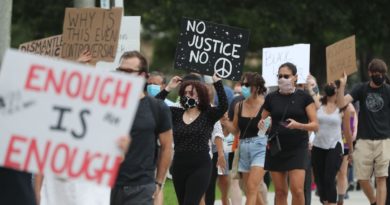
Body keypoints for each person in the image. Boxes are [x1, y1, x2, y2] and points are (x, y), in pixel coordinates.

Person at [110, 51, 173, 205]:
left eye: (128, 72)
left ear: (142, 75)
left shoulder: (157, 107)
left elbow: (166, 147)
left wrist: (159, 183)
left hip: (141, 188)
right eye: (120, 70)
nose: (122, 75)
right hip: (108, 185)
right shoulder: (108, 104)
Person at [156, 73, 228, 205]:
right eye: (185, 93)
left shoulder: (208, 114)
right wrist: (168, 88)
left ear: (200, 95)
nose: (188, 96)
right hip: (179, 165)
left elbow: (224, 106)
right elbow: (155, 106)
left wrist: (217, 82)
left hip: (200, 166)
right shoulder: (175, 113)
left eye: (192, 93)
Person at [258, 62, 318, 205]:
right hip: (276, 148)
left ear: (295, 77)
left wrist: (299, 125)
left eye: (286, 76)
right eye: (280, 76)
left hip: (298, 148)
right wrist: (262, 125)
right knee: (280, 191)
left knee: (297, 190)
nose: (282, 79)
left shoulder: (304, 97)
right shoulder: (271, 97)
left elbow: (315, 125)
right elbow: (262, 121)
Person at [337, 58, 390, 205]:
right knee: (362, 178)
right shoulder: (361, 88)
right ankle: (373, 201)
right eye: (376, 73)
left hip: (384, 140)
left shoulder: (387, 91)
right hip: (364, 140)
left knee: (381, 178)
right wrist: (342, 85)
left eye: (382, 73)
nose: (379, 76)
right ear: (370, 73)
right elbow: (341, 103)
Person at [222, 72, 268, 205]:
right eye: (243, 84)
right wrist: (225, 122)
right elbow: (236, 130)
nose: (244, 87)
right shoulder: (239, 105)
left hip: (261, 147)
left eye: (247, 85)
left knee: (253, 187)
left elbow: (274, 127)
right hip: (243, 147)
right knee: (249, 188)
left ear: (257, 87)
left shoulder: (266, 105)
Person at [310, 82, 355, 205]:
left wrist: (351, 150)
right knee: (319, 180)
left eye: (335, 86)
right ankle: (326, 202)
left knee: (329, 178)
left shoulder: (343, 108)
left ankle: (331, 202)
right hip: (318, 145)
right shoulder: (318, 104)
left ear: (338, 91)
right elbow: (312, 89)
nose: (331, 84)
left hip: (334, 146)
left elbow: (347, 130)